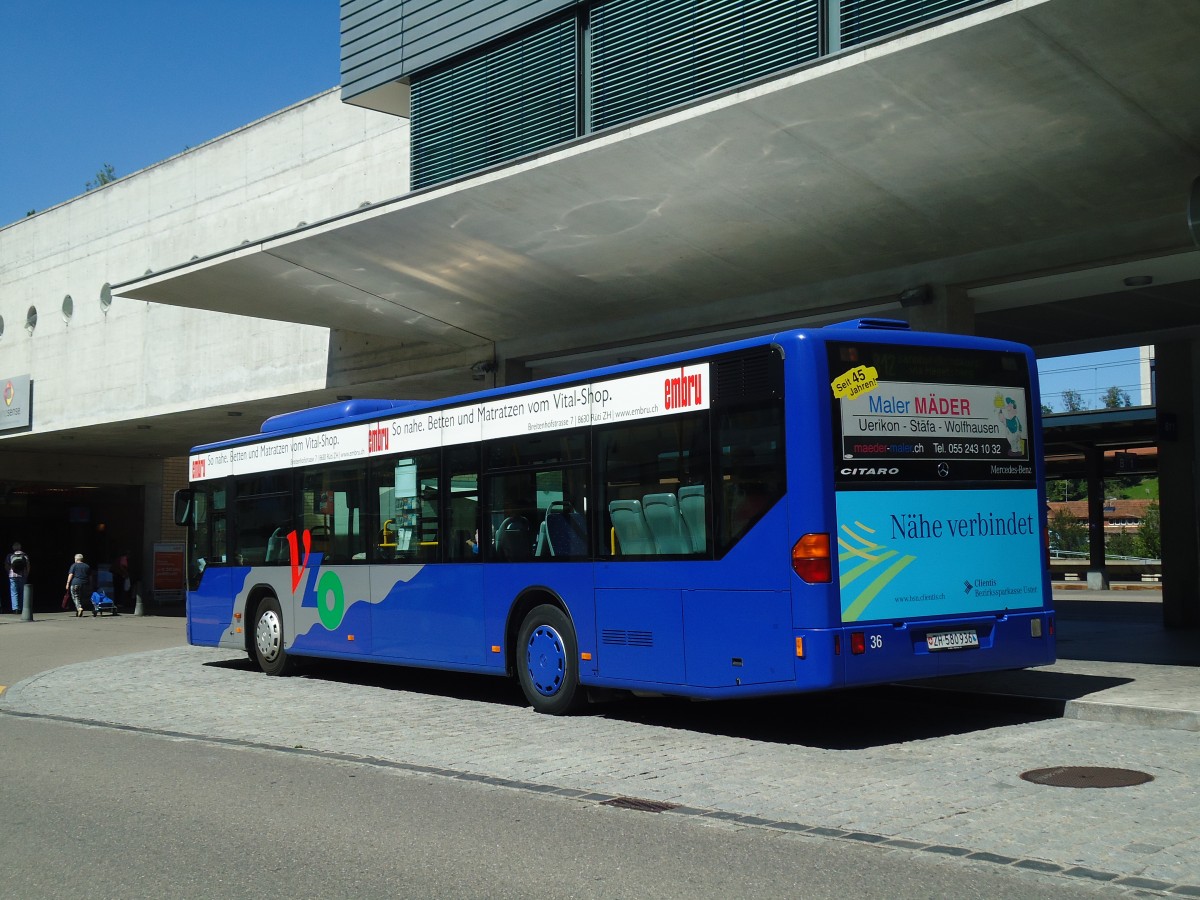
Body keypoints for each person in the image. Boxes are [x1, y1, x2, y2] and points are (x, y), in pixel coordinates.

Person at [65, 553, 92, 617]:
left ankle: (79, 608)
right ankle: (78, 611)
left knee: (75, 597)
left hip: (75, 583)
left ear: (76, 559)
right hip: (85, 584)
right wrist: (91, 584)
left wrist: (68, 583)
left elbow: (71, 574)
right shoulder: (87, 566)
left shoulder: (74, 565)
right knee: (81, 597)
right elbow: (91, 576)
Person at [7, 542, 30, 614]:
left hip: (12, 576)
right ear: (20, 547)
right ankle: (23, 607)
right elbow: (28, 565)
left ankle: (16, 608)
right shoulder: (24, 555)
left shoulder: (10, 556)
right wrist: (27, 573)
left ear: (13, 548)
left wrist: (9, 572)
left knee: (14, 592)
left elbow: (7, 566)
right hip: (22, 575)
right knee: (23, 592)